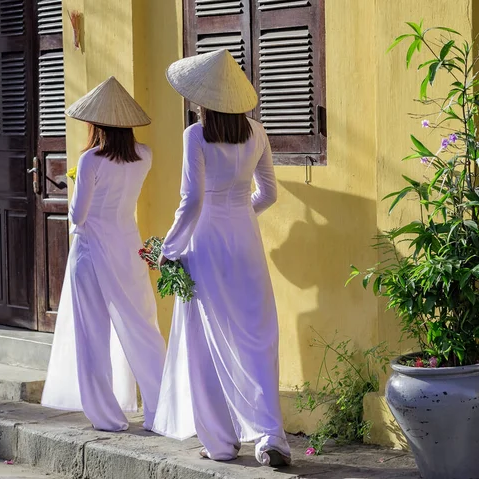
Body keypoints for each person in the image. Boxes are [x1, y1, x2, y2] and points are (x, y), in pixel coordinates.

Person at [152, 50, 291, 467]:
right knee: (256, 337)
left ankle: (221, 444)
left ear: (203, 97)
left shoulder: (195, 135)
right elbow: (268, 193)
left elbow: (191, 199)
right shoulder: (257, 132)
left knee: (206, 339)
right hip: (245, 239)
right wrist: (241, 210)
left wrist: (169, 249)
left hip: (206, 241)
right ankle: (271, 438)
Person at [41, 77, 166, 432]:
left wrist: (76, 181)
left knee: (92, 335)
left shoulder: (91, 160)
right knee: (142, 327)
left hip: (92, 251)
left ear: (97, 122)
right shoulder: (145, 155)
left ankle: (107, 416)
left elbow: (78, 215)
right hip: (127, 246)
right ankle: (164, 407)